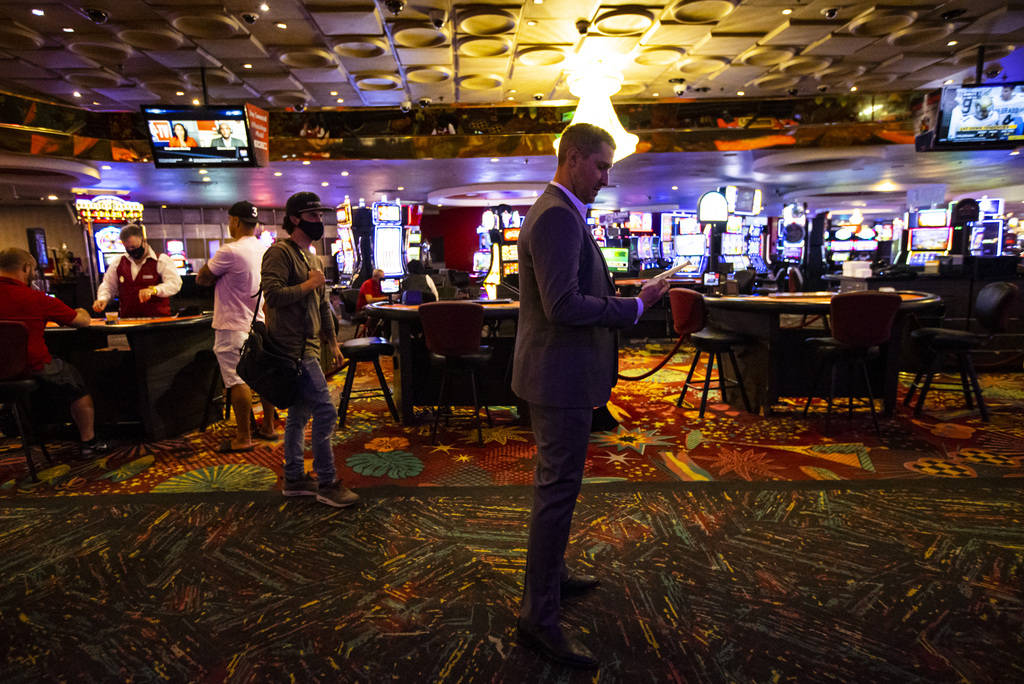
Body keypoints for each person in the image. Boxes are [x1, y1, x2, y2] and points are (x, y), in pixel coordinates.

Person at [511, 123, 669, 669]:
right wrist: (636, 307)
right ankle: (537, 618)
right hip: (560, 378)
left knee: (558, 490)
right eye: (601, 166)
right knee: (556, 494)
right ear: (574, 158)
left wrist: (627, 294)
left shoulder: (558, 209)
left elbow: (575, 292)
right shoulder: (557, 214)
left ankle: (550, 580)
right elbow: (564, 307)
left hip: (558, 375)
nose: (606, 178)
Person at [262, 191, 358, 508]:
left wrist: (332, 341)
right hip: (291, 347)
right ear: (294, 218)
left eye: (321, 216)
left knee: (300, 414)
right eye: (313, 216)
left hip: (311, 346)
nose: (320, 221)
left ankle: (293, 477)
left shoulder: (312, 257)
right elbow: (272, 296)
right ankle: (327, 482)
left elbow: (322, 305)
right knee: (327, 412)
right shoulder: (279, 253)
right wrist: (308, 284)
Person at [0, 248, 109, 458]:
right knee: (75, 383)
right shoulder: (35, 297)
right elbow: (81, 321)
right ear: (26, 268)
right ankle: (89, 441)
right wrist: (83, 310)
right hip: (32, 366)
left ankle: (30, 429)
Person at [196, 200, 277, 453]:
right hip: (259, 323)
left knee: (236, 380)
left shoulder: (229, 251)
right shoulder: (266, 248)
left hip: (232, 325)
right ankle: (269, 427)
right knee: (263, 376)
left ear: (235, 221)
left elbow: (202, 278)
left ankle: (243, 438)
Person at [92, 223, 182, 318]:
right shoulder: (118, 262)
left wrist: (155, 290)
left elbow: (175, 284)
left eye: (134, 247)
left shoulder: (161, 260)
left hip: (157, 320)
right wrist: (103, 299)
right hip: (128, 320)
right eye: (128, 248)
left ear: (143, 241)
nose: (131, 250)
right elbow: (108, 285)